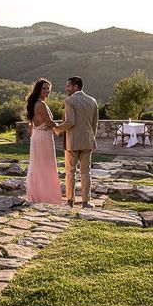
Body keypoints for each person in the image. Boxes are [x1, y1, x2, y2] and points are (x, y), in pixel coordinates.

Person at [54, 76, 99, 208]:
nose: (66, 88)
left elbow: (70, 122)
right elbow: (95, 123)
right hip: (88, 141)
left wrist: (57, 129)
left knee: (70, 172)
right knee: (86, 172)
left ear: (75, 86)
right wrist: (91, 137)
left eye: (68, 86)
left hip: (73, 142)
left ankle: (70, 201)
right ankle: (86, 202)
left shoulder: (70, 101)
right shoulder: (93, 101)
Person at [24, 78, 63, 204]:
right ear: (38, 90)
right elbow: (50, 122)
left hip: (37, 136)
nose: (47, 90)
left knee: (39, 165)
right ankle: (46, 196)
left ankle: (39, 194)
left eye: (48, 88)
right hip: (43, 138)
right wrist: (62, 127)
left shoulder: (35, 103)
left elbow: (33, 124)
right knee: (46, 166)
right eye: (44, 88)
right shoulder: (40, 104)